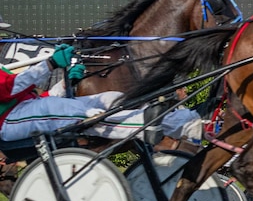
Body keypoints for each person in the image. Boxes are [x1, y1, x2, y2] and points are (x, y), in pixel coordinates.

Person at [1, 44, 202, 143]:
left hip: (23, 112)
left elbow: (42, 100)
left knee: (110, 97)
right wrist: (50, 64)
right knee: (86, 117)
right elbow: (9, 88)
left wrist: (66, 83)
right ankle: (151, 126)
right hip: (7, 122)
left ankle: (182, 121)